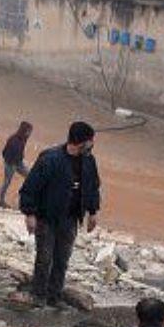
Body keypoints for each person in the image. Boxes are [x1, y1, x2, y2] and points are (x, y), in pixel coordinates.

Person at [19, 121, 101, 306]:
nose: (92, 144)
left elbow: (93, 186)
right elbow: (30, 187)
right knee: (44, 259)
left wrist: (93, 211)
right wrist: (29, 214)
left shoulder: (89, 161)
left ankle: (54, 296)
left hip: (71, 219)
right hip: (47, 218)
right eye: (90, 141)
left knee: (62, 260)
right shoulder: (50, 158)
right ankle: (38, 296)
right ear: (80, 142)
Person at [0, 121, 33, 208]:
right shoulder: (13, 140)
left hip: (18, 162)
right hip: (10, 164)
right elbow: (5, 152)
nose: (30, 133)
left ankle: (26, 197)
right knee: (7, 182)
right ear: (24, 131)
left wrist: (20, 159)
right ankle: (1, 200)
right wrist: (11, 163)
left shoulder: (24, 138)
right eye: (29, 131)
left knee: (30, 176)